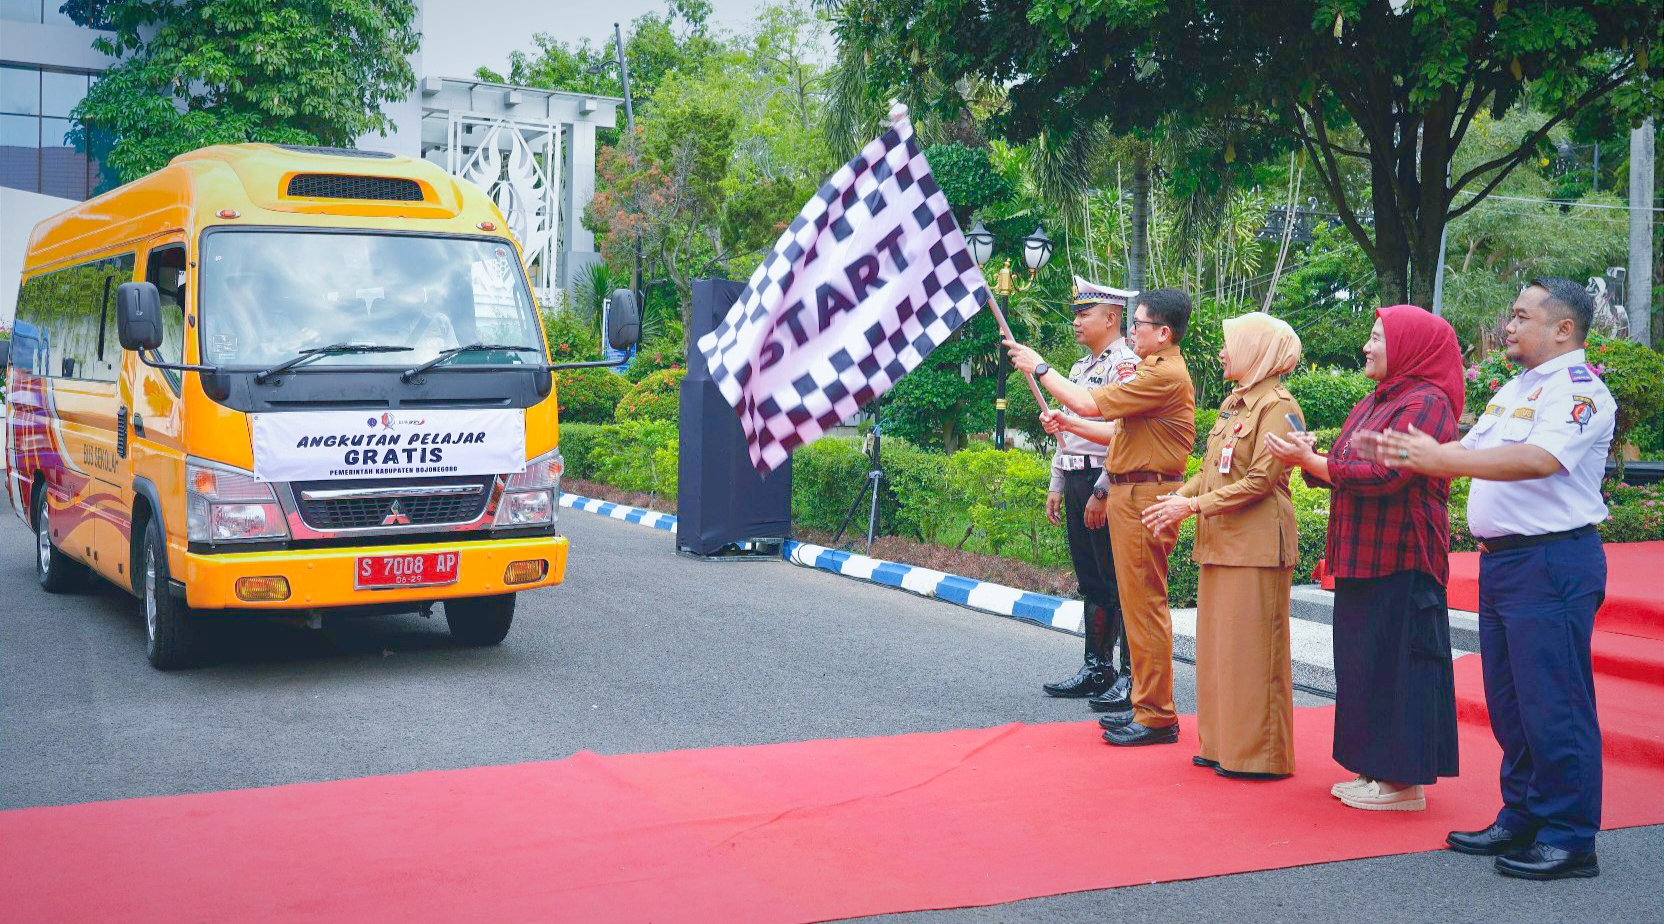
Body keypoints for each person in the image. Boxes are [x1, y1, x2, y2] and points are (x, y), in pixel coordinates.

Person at [1369, 279, 1613, 881]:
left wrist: (1439, 458)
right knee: (1510, 700)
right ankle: (1523, 813)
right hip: (1508, 564)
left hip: (1552, 562)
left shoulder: (1581, 391)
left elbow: (1539, 461)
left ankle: (1569, 834)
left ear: (1562, 328)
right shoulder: (1517, 388)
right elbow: (1469, 447)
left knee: (1555, 703)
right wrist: (1418, 450)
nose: (1509, 325)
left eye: (1522, 316)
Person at [1264, 304, 1462, 811]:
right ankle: (1378, 774)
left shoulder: (1427, 401)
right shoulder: (1382, 398)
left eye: (1377, 337)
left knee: (1398, 666)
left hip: (1401, 556)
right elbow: (1347, 463)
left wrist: (1312, 461)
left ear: (1410, 347)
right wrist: (1312, 457)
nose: (1367, 346)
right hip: (1361, 556)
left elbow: (1388, 474)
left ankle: (1403, 784)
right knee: (1365, 666)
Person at [1006, 288, 1196, 746]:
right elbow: (1112, 427)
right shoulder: (1150, 370)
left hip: (1144, 490)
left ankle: (1155, 713)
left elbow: (1091, 405)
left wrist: (1040, 367)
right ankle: (1144, 704)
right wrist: (1068, 424)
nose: (1134, 332)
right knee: (1131, 602)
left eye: (1141, 325)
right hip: (1132, 489)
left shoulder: (1163, 374)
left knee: (1143, 606)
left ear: (1163, 333)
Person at [1141, 312, 1303, 779]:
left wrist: (1191, 509)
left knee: (1254, 654)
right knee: (1219, 652)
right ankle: (1221, 745)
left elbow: (1260, 481)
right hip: (1221, 540)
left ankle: (1260, 756)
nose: (1222, 352)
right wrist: (1182, 496)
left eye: (1231, 344)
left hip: (1254, 544)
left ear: (1256, 350)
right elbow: (1212, 469)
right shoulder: (1236, 403)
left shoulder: (1280, 406)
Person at [1041, 277, 1142, 706]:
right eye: (1077, 313)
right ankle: (1095, 666)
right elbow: (1068, 432)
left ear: (1111, 317)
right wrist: (1057, 484)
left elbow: (1125, 433)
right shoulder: (1081, 369)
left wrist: (1102, 490)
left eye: (1085, 313)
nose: (1077, 321)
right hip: (1078, 477)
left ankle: (1128, 674)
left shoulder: (1125, 366)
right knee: (1092, 580)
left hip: (1107, 480)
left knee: (1118, 581)